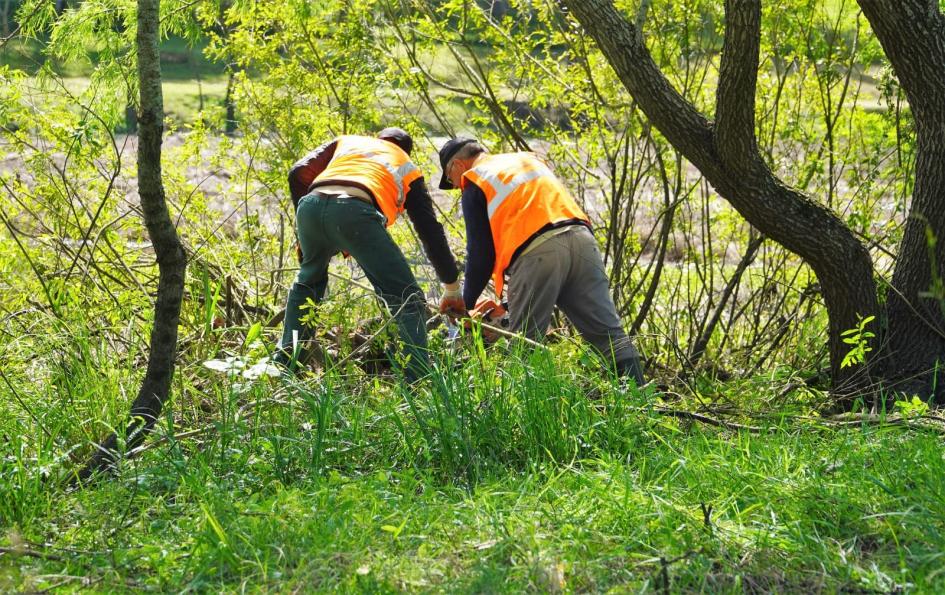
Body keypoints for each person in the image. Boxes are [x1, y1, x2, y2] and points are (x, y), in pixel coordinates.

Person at [438, 136, 646, 384]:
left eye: (452, 181)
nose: (456, 186)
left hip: (537, 250)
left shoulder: (474, 179)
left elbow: (481, 254)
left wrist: (466, 303)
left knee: (525, 344)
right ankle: (643, 404)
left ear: (457, 166)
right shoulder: (526, 160)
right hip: (582, 240)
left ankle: (529, 419)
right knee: (611, 337)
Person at [276, 128, 466, 381]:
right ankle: (418, 380)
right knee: (407, 298)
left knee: (307, 285)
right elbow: (430, 230)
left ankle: (284, 365)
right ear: (406, 149)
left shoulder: (348, 142)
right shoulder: (405, 165)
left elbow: (298, 172)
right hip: (354, 211)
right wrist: (452, 287)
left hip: (309, 207)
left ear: (377, 138)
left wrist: (305, 234)